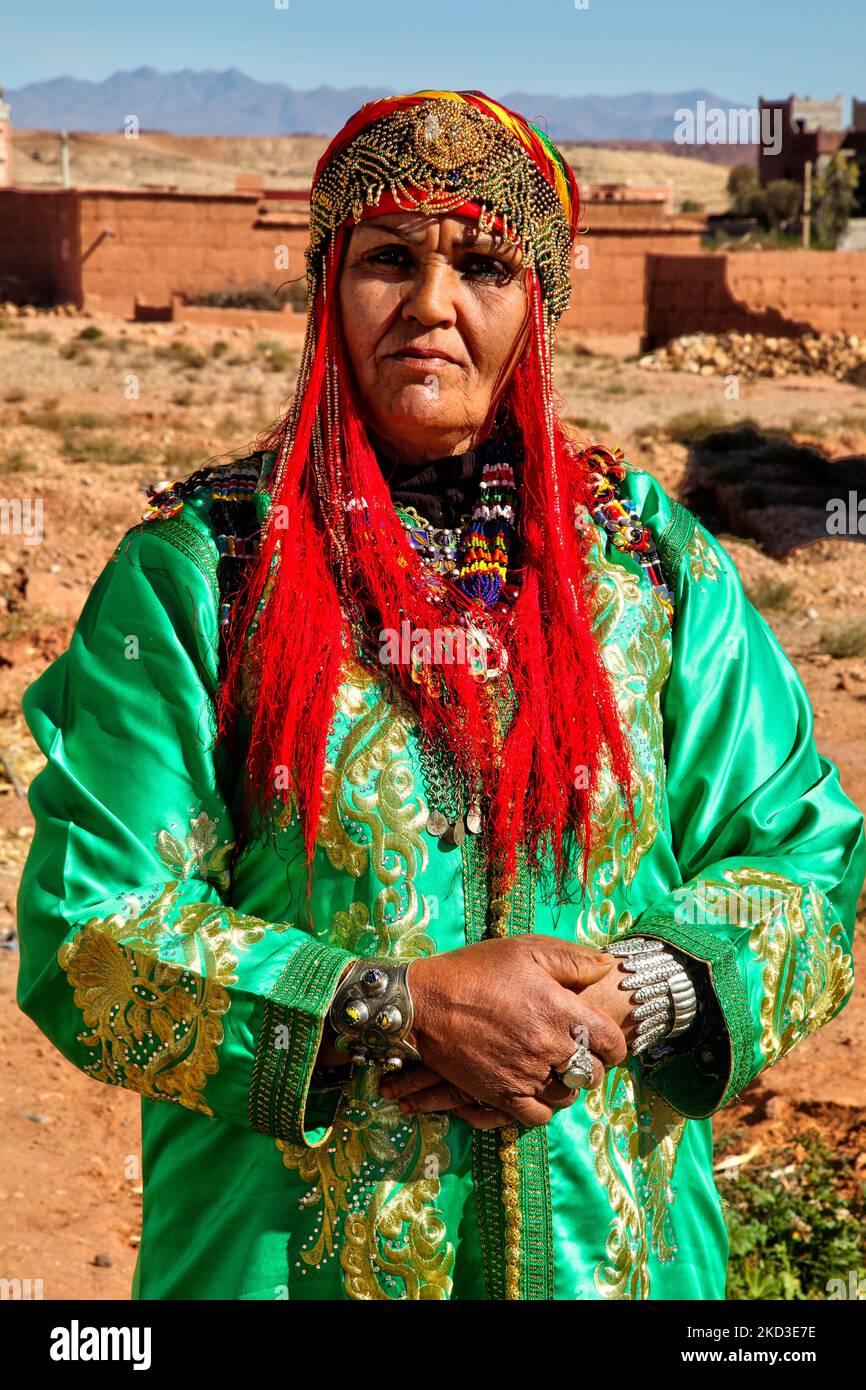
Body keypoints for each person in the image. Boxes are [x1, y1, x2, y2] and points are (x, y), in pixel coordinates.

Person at [16, 89, 865, 1301]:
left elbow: (802, 849)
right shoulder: (200, 574)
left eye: (481, 264)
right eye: (385, 260)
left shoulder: (649, 568)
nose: (430, 304)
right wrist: (388, 1008)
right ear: (327, 290)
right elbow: (88, 923)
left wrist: (645, 990)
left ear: (538, 305)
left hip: (610, 1254)